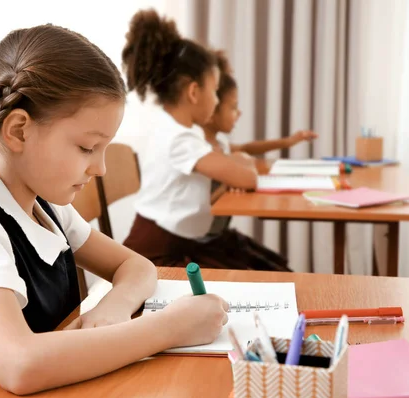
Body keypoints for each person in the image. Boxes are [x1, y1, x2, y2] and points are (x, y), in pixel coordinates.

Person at [0, 24, 229, 398]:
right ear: (19, 131)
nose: (100, 168)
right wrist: (169, 328)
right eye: (87, 148)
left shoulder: (42, 204)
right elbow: (20, 365)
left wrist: (113, 309)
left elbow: (137, 267)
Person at [121, 10, 290, 272]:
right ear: (193, 92)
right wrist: (240, 163)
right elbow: (247, 178)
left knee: (261, 268)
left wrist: (234, 167)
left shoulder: (182, 131)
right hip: (156, 254)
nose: (216, 99)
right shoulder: (179, 139)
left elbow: (230, 170)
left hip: (183, 243)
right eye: (214, 90)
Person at [202, 50, 318, 158]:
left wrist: (288, 141)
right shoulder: (200, 148)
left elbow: (245, 148)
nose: (239, 112)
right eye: (233, 107)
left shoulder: (220, 143)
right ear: (212, 111)